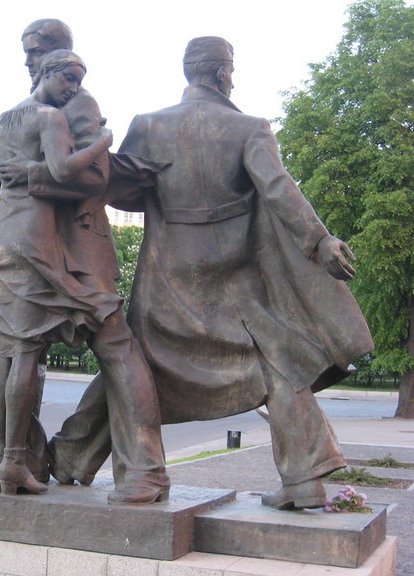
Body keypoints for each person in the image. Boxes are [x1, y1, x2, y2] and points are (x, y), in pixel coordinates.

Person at [50, 36, 374, 510]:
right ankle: (303, 478)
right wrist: (319, 240)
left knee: (132, 366)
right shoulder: (249, 127)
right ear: (223, 73)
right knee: (276, 359)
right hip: (235, 276)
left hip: (167, 273)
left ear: (189, 73)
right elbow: (279, 188)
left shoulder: (149, 124)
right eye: (231, 71)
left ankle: (72, 458)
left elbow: (121, 192)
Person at [0, 49, 168, 503]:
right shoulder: (50, 117)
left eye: (78, 80)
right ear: (50, 72)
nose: (75, 88)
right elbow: (66, 169)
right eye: (70, 79)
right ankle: (9, 461)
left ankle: (7, 462)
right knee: (20, 355)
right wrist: (104, 140)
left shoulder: (3, 119)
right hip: (35, 241)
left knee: (6, 354)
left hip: (4, 237)